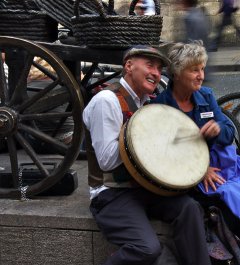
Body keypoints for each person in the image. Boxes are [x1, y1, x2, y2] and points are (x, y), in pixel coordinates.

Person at [82, 45, 212, 265]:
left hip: (143, 188)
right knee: (146, 248)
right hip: (111, 193)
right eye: (150, 65)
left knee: (190, 208)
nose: (156, 73)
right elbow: (105, 160)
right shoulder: (107, 100)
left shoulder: (146, 103)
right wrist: (144, 137)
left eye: (159, 69)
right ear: (129, 66)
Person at [153, 41, 240, 265]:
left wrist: (218, 129)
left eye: (202, 68)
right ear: (177, 73)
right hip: (188, 178)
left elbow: (229, 133)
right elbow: (164, 155)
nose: (201, 75)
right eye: (194, 70)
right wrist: (200, 170)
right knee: (236, 202)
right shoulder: (162, 106)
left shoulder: (206, 96)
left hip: (220, 168)